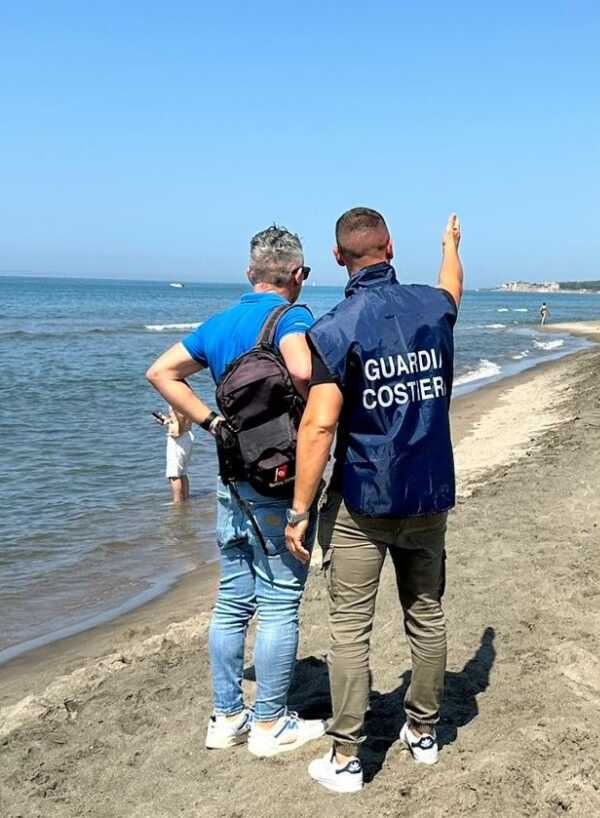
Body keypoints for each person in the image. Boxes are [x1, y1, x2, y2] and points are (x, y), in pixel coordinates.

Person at [286, 207, 463, 794]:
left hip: (364, 500)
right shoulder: (433, 307)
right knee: (426, 615)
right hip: (428, 495)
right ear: (390, 248)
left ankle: (345, 758)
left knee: (350, 629)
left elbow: (317, 428)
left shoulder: (334, 330)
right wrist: (450, 245)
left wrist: (299, 510)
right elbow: (452, 288)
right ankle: (424, 732)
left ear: (339, 258)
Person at [146, 225, 326, 758]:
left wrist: (212, 423)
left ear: (249, 273)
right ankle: (270, 724)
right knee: (280, 602)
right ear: (299, 276)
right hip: (281, 482)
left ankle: (226, 717)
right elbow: (299, 366)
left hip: (232, 482)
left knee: (230, 602)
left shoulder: (220, 324)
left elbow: (162, 371)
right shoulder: (292, 317)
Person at [161, 408, 194, 502]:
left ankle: (178, 504)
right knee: (182, 473)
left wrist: (177, 431)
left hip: (179, 437)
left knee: (174, 474)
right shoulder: (188, 394)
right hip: (187, 434)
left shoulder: (177, 394)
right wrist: (169, 421)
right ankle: (186, 500)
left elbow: (180, 414)